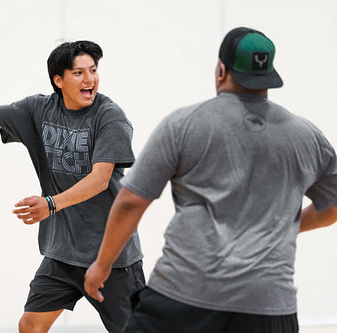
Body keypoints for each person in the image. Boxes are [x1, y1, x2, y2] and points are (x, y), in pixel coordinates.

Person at [84, 27, 337, 333]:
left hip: (184, 296)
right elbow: (332, 208)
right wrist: (283, 224)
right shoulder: (307, 137)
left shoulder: (184, 124)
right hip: (269, 306)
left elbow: (131, 201)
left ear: (221, 70)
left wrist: (102, 265)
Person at [0, 41, 145, 332]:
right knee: (31, 325)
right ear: (58, 80)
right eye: (78, 73)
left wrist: (50, 204)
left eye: (94, 70)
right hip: (63, 251)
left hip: (111, 255)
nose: (90, 79)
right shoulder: (38, 109)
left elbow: (100, 180)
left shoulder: (110, 117)